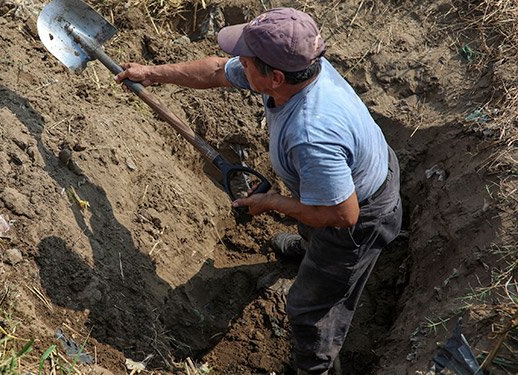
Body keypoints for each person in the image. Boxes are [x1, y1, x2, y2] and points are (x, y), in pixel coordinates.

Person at [115, 7, 403, 374]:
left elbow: (342, 215)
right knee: (310, 205)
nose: (239, 62)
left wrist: (273, 202)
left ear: (276, 77)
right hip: (361, 170)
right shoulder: (304, 67)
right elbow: (219, 70)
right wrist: (151, 74)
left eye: (247, 60)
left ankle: (317, 368)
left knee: (309, 313)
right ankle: (308, 250)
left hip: (359, 219)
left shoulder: (312, 134)